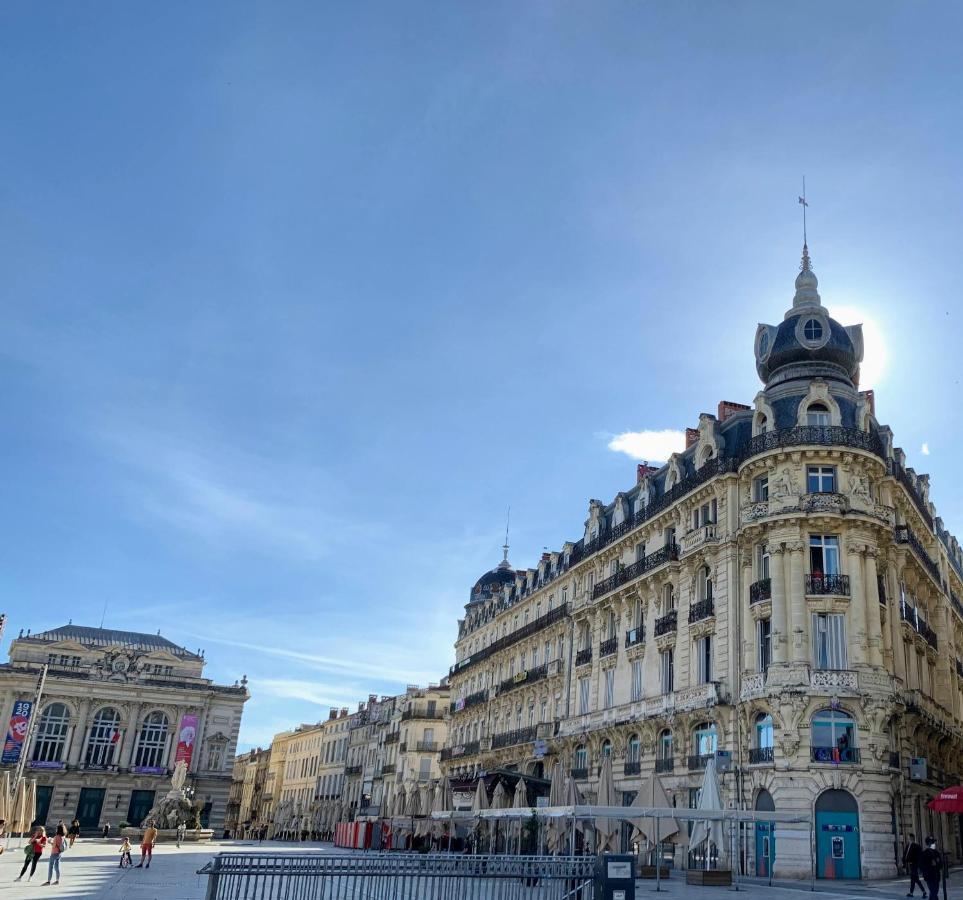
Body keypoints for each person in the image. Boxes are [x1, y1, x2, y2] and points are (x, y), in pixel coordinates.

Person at [919, 836, 943, 900]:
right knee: (933, 891)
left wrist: (937, 864)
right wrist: (930, 865)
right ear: (929, 844)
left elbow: (940, 864)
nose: (934, 844)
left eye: (934, 842)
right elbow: (921, 866)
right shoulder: (924, 853)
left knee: (935, 891)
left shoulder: (936, 852)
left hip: (936, 875)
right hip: (929, 876)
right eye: (932, 843)